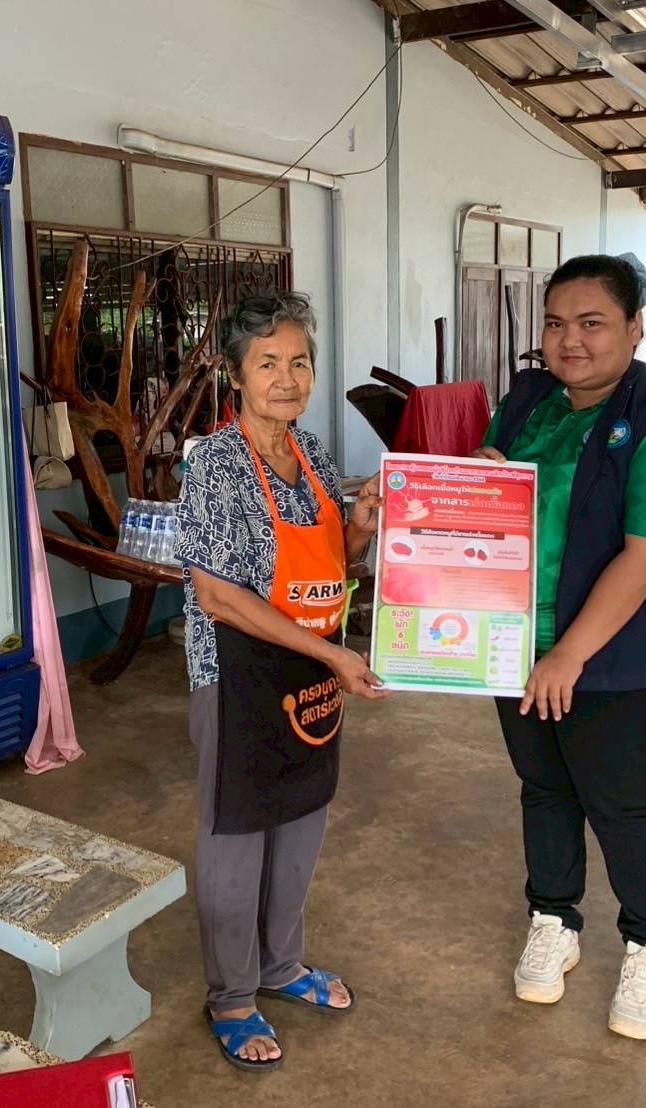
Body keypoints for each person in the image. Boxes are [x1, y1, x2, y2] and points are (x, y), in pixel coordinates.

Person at [473, 254, 646, 1040]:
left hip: (609, 660)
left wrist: (568, 655)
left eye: (590, 323)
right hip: (513, 641)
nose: (567, 341)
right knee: (543, 787)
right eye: (554, 323)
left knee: (616, 799)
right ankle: (553, 919)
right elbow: (489, 499)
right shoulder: (527, 402)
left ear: (634, 327)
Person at [174, 291, 388, 1071]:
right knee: (237, 835)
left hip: (311, 670)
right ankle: (233, 995)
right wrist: (334, 657)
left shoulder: (313, 455)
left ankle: (280, 964)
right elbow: (218, 597)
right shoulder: (214, 466)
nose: (287, 378)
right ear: (235, 375)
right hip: (237, 675)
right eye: (267, 363)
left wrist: (358, 526)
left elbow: (335, 565)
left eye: (299, 362)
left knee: (300, 818)